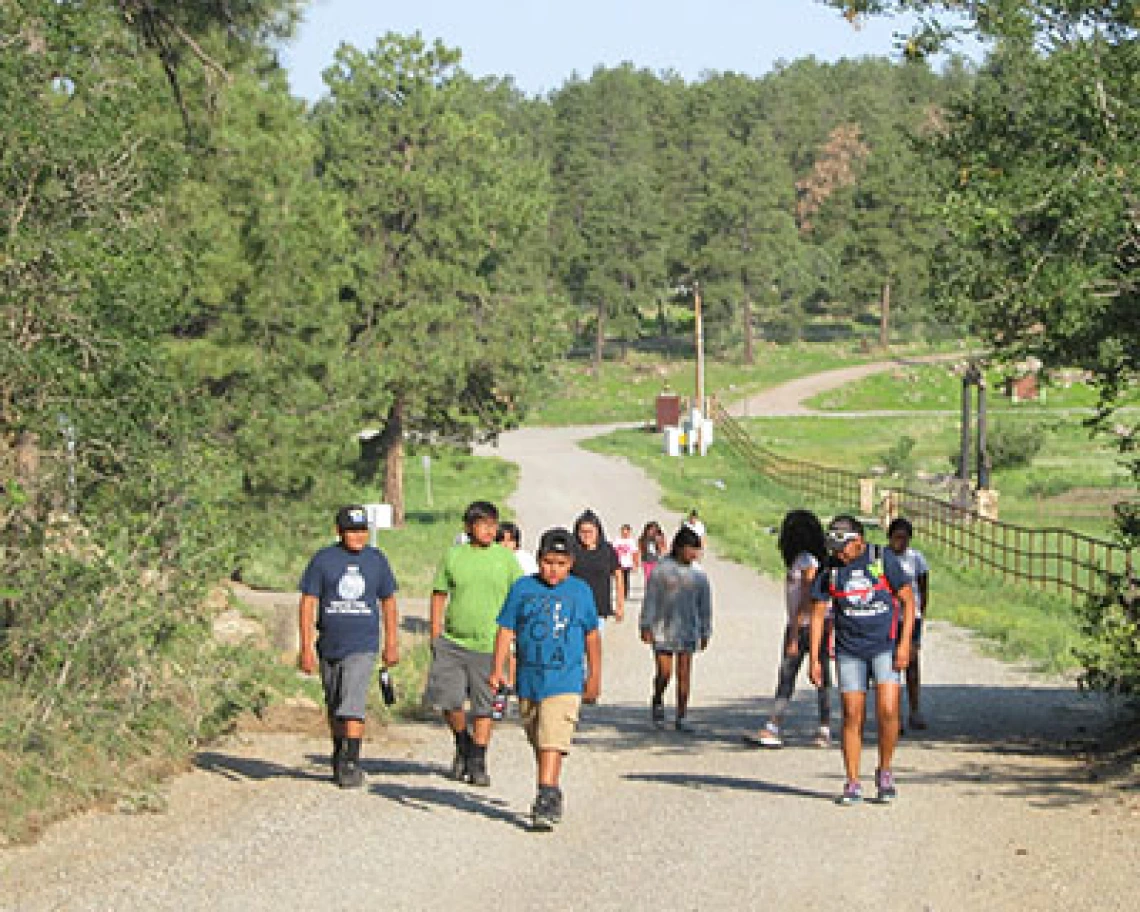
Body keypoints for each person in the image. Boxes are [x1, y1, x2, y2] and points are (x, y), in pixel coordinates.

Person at [490, 528, 601, 830]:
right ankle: (550, 786)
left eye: (561, 564)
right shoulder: (523, 588)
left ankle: (546, 793)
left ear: (572, 564)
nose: (554, 570)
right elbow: (506, 629)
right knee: (538, 736)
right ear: (538, 559)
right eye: (549, 562)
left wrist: (594, 676)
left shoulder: (580, 591)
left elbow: (592, 636)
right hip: (529, 678)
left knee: (554, 734)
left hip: (565, 679)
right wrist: (497, 669)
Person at [809, 515, 915, 805]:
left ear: (859, 542)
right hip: (848, 651)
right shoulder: (830, 569)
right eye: (834, 549)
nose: (838, 554)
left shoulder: (883, 560)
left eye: (842, 548)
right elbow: (818, 614)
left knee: (889, 710)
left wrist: (905, 645)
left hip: (884, 648)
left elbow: (908, 599)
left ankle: (885, 770)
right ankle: (853, 781)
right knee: (852, 715)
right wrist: (815, 659)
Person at [298, 505, 399, 788]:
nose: (358, 536)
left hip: (363, 643)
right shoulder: (324, 560)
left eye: (362, 530)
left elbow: (388, 601)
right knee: (334, 703)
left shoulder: (376, 560)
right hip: (329, 643)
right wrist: (305, 646)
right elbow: (308, 602)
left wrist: (391, 641)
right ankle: (339, 749)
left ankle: (352, 761)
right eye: (352, 530)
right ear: (339, 531)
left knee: (352, 703)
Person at [425, 500, 522, 787]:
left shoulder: (505, 559)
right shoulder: (454, 556)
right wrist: (435, 631)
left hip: (490, 643)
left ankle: (478, 759)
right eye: (483, 525)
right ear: (469, 527)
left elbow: (519, 594)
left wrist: (514, 636)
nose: (489, 530)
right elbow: (439, 593)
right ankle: (462, 741)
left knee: (484, 705)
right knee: (449, 700)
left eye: (493, 525)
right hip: (453, 640)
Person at [750, 509, 832, 748]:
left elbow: (806, 601)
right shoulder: (808, 559)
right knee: (816, 676)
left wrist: (794, 634)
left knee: (792, 675)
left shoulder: (807, 562)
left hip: (806, 625)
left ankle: (777, 724)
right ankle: (820, 727)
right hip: (811, 623)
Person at [640, 526, 712, 732]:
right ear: (679, 548)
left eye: (697, 550)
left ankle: (681, 715)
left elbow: (704, 605)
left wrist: (706, 631)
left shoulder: (699, 575)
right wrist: (646, 625)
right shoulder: (661, 570)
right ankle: (658, 697)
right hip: (663, 628)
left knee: (684, 674)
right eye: (690, 549)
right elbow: (651, 599)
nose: (694, 554)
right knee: (665, 672)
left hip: (688, 628)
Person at [884, 517, 931, 731]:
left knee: (911, 664)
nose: (900, 543)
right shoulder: (881, 559)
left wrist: (921, 612)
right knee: (890, 665)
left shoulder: (916, 559)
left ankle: (915, 710)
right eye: (897, 538)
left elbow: (923, 587)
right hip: (888, 616)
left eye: (904, 539)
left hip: (911, 617)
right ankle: (895, 715)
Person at [571, 509, 624, 629]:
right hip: (574, 608)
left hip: (599, 609)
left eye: (590, 531)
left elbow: (618, 575)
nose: (586, 535)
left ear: (598, 531)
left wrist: (620, 605)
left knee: (594, 645)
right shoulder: (572, 551)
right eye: (582, 532)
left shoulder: (607, 550)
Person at [612, 523, 640, 599]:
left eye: (626, 532)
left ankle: (625, 593)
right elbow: (613, 552)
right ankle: (620, 593)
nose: (625, 533)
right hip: (619, 563)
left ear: (629, 532)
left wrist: (636, 564)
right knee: (619, 579)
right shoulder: (617, 541)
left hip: (627, 563)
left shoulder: (631, 542)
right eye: (623, 531)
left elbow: (635, 553)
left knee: (626, 579)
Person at [638, 520, 667, 585]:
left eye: (654, 530)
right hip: (646, 561)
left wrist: (659, 542)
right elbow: (640, 550)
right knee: (648, 578)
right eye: (650, 530)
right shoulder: (643, 539)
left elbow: (663, 550)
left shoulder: (660, 538)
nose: (652, 532)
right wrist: (638, 562)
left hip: (657, 561)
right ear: (647, 530)